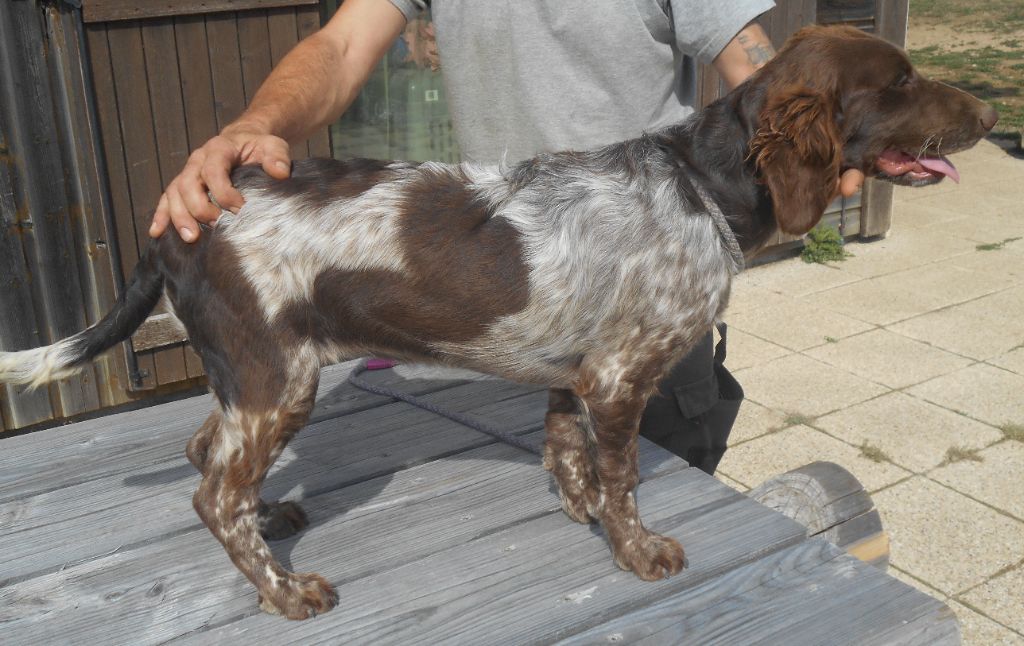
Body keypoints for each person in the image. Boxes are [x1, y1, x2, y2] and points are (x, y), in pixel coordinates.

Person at [148, 0, 865, 473]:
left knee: (671, 528)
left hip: (645, 303)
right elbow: (340, 45)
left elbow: (758, 73)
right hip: (501, 306)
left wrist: (818, 149)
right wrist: (256, 126)